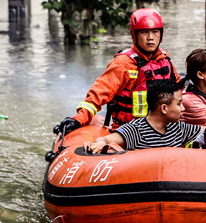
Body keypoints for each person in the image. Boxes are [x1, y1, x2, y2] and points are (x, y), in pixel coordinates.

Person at [53, 8, 181, 135]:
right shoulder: (122, 64)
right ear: (134, 35)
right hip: (129, 131)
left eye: (155, 32)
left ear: (161, 34)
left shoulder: (164, 58)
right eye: (144, 32)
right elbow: (99, 94)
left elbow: (179, 90)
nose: (150, 38)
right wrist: (80, 118)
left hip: (164, 127)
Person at [84, 79, 202, 153]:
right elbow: (106, 139)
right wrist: (100, 143)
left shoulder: (177, 127)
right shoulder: (136, 130)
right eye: (179, 104)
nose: (183, 108)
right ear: (164, 108)